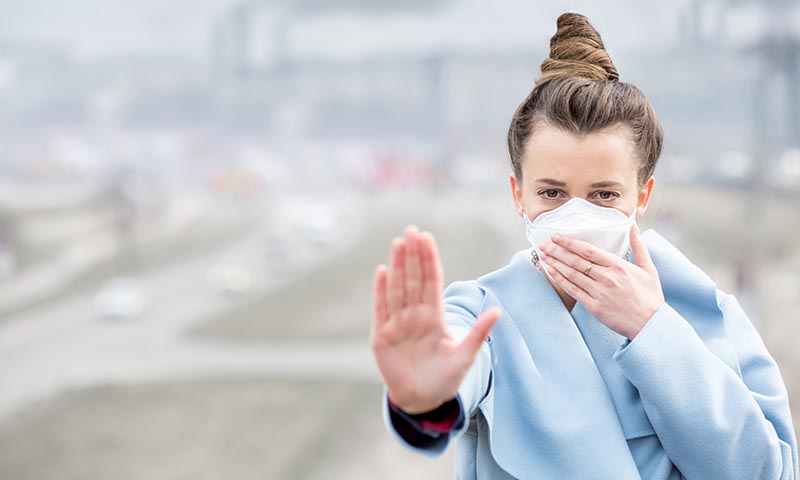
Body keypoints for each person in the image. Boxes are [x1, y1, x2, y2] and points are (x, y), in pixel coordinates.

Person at [368, 12, 799, 480]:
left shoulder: (706, 309)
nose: (576, 216)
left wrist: (653, 332)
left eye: (603, 195)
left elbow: (766, 471)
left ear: (643, 195)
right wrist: (424, 398)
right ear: (519, 194)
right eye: (552, 193)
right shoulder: (483, 314)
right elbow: (456, 366)